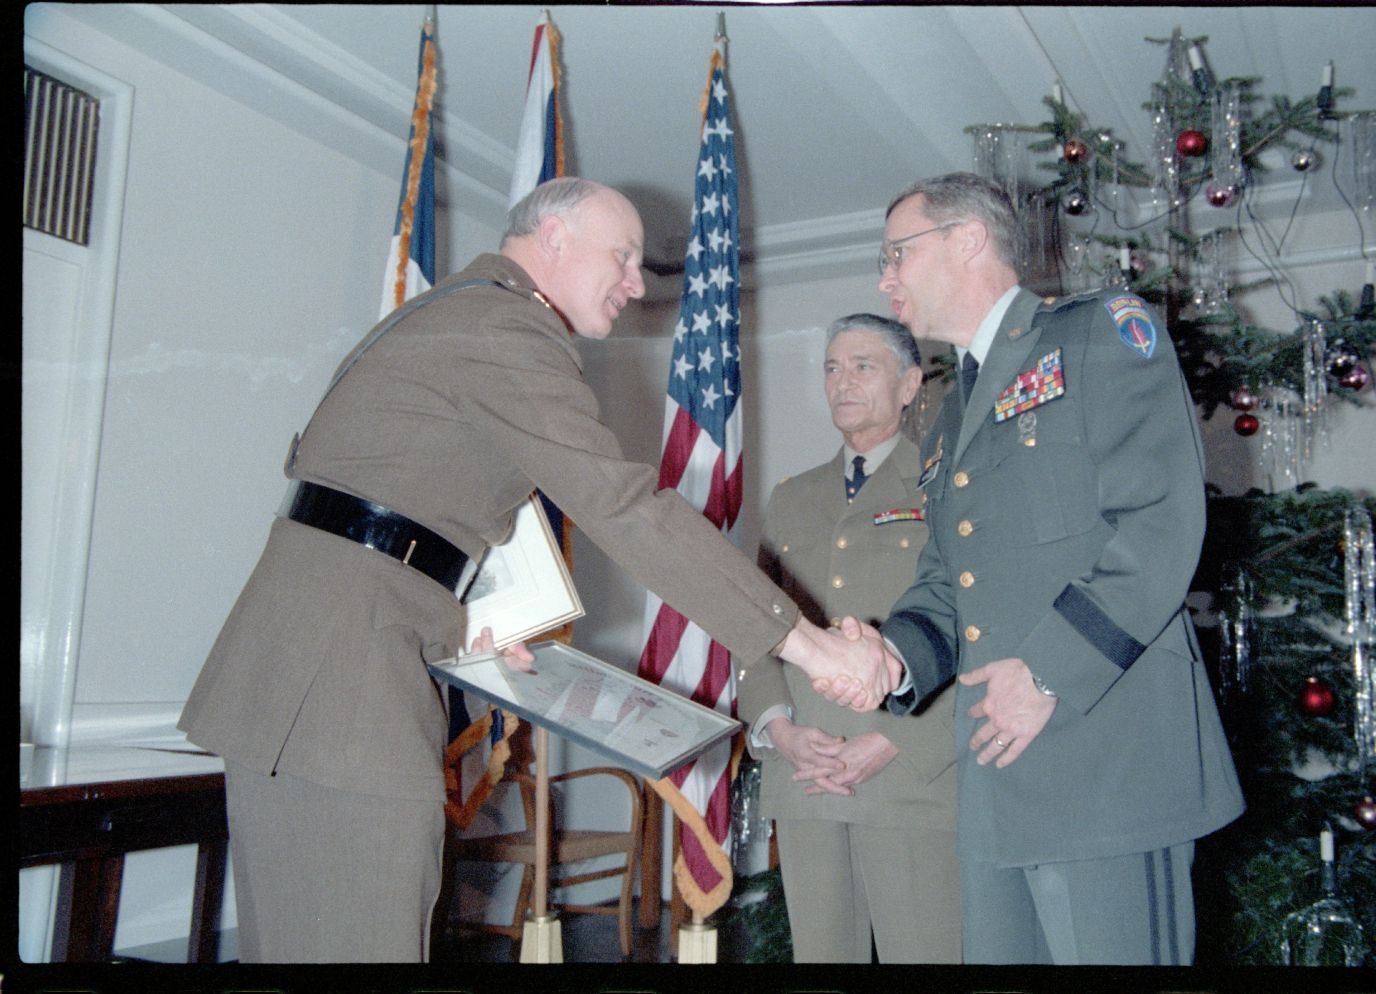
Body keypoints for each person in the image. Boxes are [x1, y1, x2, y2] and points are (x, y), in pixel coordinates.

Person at [177, 177, 890, 962]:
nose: (637, 282)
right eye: (621, 256)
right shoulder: (500, 325)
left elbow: (403, 505)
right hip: (335, 689)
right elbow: (625, 506)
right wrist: (809, 646)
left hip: (324, 671)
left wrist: (466, 620)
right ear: (552, 237)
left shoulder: (463, 315)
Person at [816, 172, 1244, 964]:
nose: (884, 279)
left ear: (967, 240)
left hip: (1106, 765)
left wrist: (1046, 670)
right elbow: (949, 579)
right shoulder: (949, 416)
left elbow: (1159, 523)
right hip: (998, 791)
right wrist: (892, 656)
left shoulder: (1098, 337)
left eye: (895, 255)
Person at [739, 314, 961, 963]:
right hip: (807, 772)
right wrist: (778, 730)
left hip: (910, 777)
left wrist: (899, 737)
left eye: (863, 365)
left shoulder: (944, 484)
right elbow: (753, 626)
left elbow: (973, 628)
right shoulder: (791, 498)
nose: (843, 381)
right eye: (832, 367)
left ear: (910, 384)